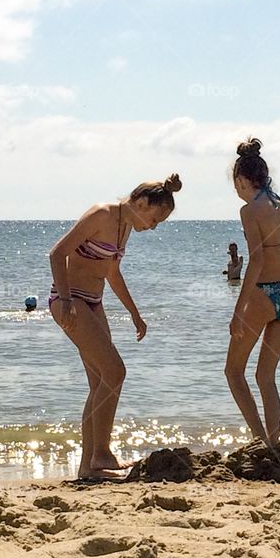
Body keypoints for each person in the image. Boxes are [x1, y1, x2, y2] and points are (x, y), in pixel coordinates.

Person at [49, 173, 183, 479]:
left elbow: (112, 272)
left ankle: (90, 465)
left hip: (93, 304)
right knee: (115, 372)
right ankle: (101, 456)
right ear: (141, 202)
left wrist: (134, 313)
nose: (153, 226)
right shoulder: (102, 213)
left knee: (101, 383)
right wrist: (67, 300)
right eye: (155, 219)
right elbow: (57, 253)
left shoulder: (125, 226)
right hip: (70, 302)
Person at [225, 138, 280, 449]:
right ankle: (274, 443)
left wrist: (238, 310)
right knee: (266, 377)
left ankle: (260, 441)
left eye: (236, 183)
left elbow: (257, 260)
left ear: (242, 180)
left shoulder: (249, 210)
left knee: (233, 372)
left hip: (263, 293)